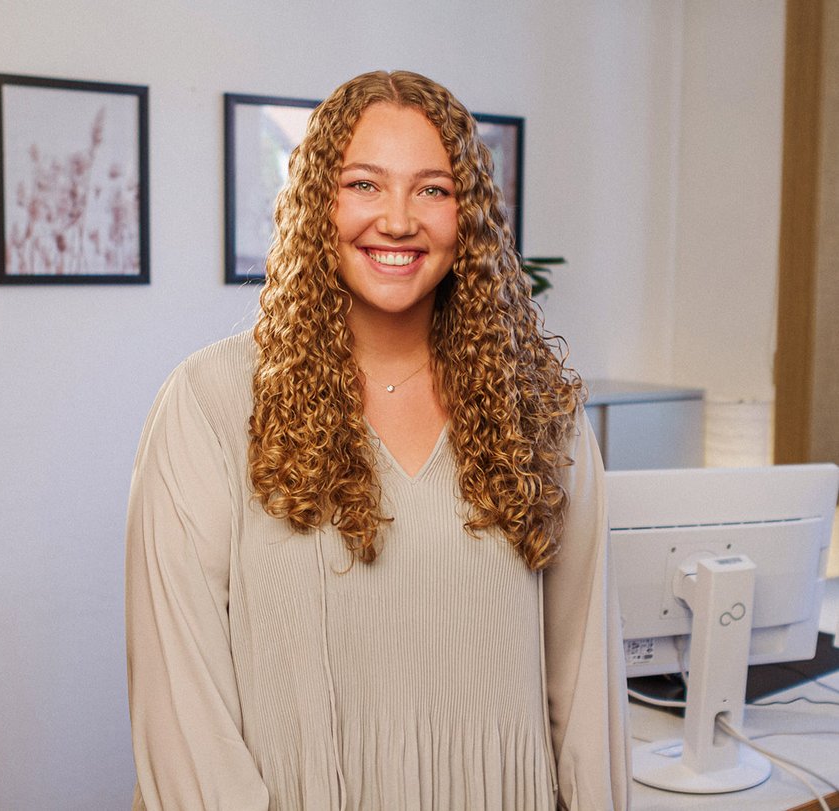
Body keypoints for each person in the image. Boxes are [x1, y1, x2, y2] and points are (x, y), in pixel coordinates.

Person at [126, 69, 630, 810]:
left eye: (433, 189)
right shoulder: (209, 404)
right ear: (315, 203)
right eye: (364, 184)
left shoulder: (542, 413)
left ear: (472, 218)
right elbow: (181, 705)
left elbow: (584, 686)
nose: (397, 220)